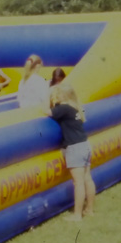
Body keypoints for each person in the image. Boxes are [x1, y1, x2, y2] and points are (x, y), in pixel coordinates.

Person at [46, 84, 96, 222]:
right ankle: (89, 209)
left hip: (75, 147)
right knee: (87, 178)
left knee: (78, 183)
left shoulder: (64, 108)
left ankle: (77, 215)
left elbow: (47, 112)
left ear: (61, 96)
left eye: (54, 94)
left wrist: (47, 101)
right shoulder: (75, 108)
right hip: (85, 144)